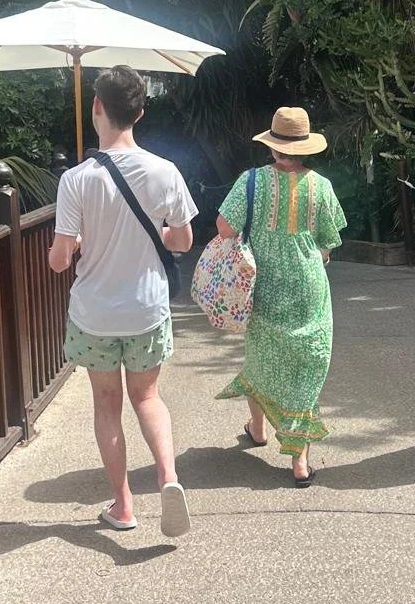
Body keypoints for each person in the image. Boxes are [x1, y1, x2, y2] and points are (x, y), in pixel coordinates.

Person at [49, 66, 198, 536]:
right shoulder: (165, 171)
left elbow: (59, 260)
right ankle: (169, 479)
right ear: (140, 112)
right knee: (148, 397)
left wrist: (72, 245)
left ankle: (124, 505)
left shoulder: (76, 179)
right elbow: (182, 241)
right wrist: (156, 231)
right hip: (146, 309)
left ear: (97, 106)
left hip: (94, 314)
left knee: (107, 405)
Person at [214, 107, 347, 485]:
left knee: (260, 357)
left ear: (272, 146)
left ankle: (258, 429)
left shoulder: (251, 181)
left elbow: (224, 228)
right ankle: (299, 462)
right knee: (307, 366)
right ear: (305, 147)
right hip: (309, 289)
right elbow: (329, 242)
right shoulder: (321, 186)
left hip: (264, 286)